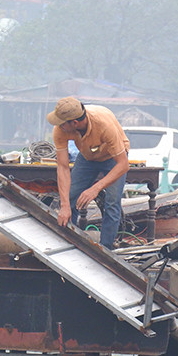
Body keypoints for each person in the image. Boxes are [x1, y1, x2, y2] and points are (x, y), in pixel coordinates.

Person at [48, 96, 130, 250]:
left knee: (112, 203)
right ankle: (68, 244)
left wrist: (95, 188)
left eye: (62, 123)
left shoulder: (104, 125)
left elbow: (123, 165)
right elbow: (63, 167)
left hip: (113, 157)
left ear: (74, 123)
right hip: (88, 156)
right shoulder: (60, 129)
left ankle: (105, 250)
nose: (59, 126)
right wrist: (64, 205)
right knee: (70, 197)